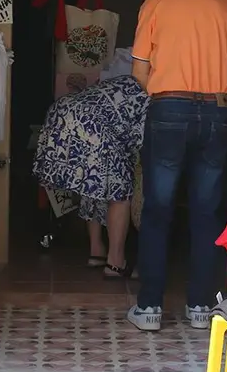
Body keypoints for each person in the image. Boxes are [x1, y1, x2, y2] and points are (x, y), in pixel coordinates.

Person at [128, 0, 227, 331]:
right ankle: (202, 307)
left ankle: (149, 309)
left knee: (158, 209)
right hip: (219, 111)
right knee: (207, 211)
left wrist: (168, 94)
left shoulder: (156, 3)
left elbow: (139, 69)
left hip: (168, 110)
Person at [33, 74, 149, 278]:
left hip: (61, 113)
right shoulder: (148, 98)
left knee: (92, 182)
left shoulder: (123, 80)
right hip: (93, 125)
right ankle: (115, 263)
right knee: (120, 191)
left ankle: (96, 251)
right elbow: (141, 145)